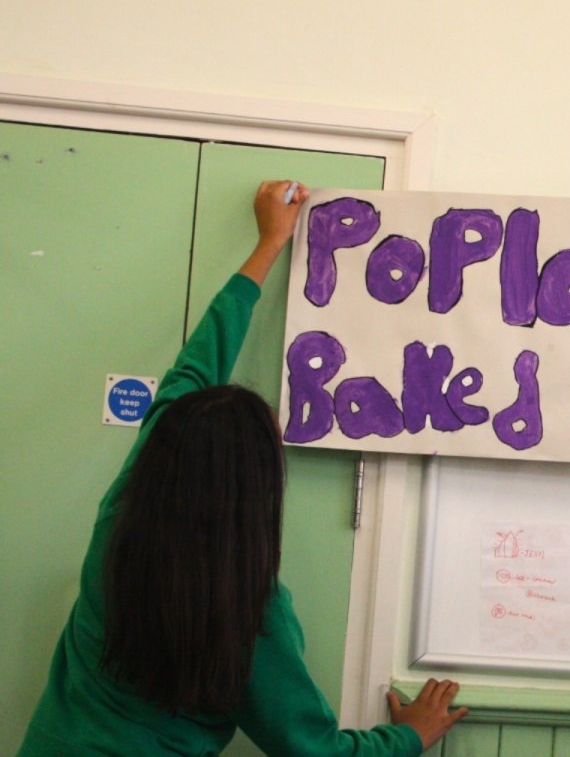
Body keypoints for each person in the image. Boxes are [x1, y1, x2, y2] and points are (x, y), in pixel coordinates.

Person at [18, 181, 468, 756]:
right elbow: (315, 751)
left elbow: (193, 369)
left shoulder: (121, 518)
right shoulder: (250, 612)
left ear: (164, 453)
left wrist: (269, 243)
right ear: (256, 492)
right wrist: (407, 736)